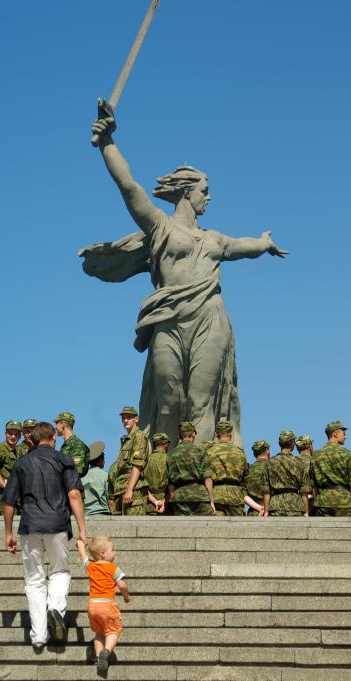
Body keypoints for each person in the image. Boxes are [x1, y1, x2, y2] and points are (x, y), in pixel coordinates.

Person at [79, 101, 288, 447]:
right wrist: (108, 144)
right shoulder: (161, 228)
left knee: (201, 401)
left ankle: (202, 474)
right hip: (168, 318)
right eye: (205, 191)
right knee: (169, 401)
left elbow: (245, 246)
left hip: (209, 317)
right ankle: (163, 475)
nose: (209, 198)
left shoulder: (214, 240)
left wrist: (264, 242)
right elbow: (130, 188)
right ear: (188, 192)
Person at [2, 422, 86, 648]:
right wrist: (82, 529)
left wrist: (8, 532)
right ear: (54, 439)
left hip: (30, 526)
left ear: (33, 439)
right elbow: (74, 495)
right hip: (58, 524)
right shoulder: (64, 460)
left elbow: (8, 501)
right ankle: (55, 609)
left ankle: (38, 635)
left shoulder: (22, 462)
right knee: (59, 571)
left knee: (34, 580)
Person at [76, 535, 130, 675]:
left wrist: (80, 545)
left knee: (99, 633)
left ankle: (99, 657)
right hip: (107, 605)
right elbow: (122, 584)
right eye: (113, 549)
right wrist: (126, 596)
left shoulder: (91, 566)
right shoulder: (113, 568)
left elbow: (83, 556)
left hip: (93, 606)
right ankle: (106, 651)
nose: (115, 552)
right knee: (113, 631)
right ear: (103, 554)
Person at [206, 420, 262, 516]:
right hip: (236, 496)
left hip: (216, 496)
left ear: (216, 434)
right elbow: (245, 479)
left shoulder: (209, 452)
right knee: (237, 529)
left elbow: (206, 477)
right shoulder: (239, 453)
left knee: (216, 529)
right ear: (231, 433)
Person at [310, 420, 351, 517]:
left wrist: (318, 500)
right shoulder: (347, 454)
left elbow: (314, 484)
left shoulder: (316, 455)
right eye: (344, 433)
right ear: (335, 434)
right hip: (344, 502)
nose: (346, 436)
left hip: (322, 502)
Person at [165, 421, 215, 515]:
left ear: (179, 436)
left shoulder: (171, 454)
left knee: (182, 529)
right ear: (193, 434)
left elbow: (171, 483)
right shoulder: (200, 451)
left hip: (180, 497)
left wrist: (173, 496)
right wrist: (211, 500)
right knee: (205, 528)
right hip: (200, 497)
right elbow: (207, 478)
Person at [262, 430, 310, 517]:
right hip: (295, 505)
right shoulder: (299, 463)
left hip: (275, 505)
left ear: (279, 443)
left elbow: (266, 490)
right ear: (293, 445)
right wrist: (306, 511)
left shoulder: (270, 462)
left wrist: (266, 511)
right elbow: (304, 491)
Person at [113, 406, 149, 515]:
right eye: (123, 418)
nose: (125, 420)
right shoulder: (127, 439)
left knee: (134, 527)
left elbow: (137, 465)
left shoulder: (138, 437)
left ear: (136, 419)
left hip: (133, 490)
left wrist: (130, 489)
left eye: (129, 417)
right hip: (121, 488)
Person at [0, 420, 24, 515]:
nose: (13, 437)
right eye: (10, 433)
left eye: (16, 434)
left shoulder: (18, 451)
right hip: (3, 497)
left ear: (20, 435)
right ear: (5, 433)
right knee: (7, 527)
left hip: (16, 497)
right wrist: (3, 484)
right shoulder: (2, 448)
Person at [54, 411, 90, 477]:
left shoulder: (76, 444)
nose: (55, 427)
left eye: (57, 423)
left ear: (62, 424)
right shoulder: (66, 445)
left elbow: (76, 471)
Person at [82, 441, 110, 516]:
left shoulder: (82, 476)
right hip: (103, 515)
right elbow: (109, 498)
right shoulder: (105, 475)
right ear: (101, 459)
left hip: (86, 516)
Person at [145, 433, 169, 515]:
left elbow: (141, 486)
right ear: (166, 445)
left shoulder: (145, 460)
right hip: (166, 505)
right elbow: (173, 484)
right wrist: (164, 501)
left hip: (148, 505)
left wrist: (155, 501)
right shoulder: (169, 459)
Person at [246, 440, 270, 516]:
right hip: (271, 511)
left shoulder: (248, 470)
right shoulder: (274, 467)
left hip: (254, 511)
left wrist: (258, 507)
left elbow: (242, 493)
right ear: (267, 452)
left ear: (254, 454)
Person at [296, 434, 315, 514]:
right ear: (310, 446)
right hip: (313, 502)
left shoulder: (293, 461)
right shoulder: (315, 461)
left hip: (296, 502)